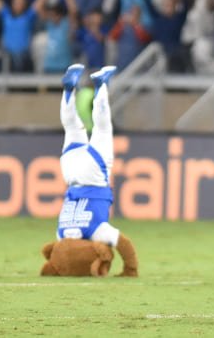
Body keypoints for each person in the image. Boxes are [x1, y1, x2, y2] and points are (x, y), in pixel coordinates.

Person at [54, 63, 138, 277]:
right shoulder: (61, 232)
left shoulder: (95, 231)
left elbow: (122, 242)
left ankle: (101, 85)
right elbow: (55, 250)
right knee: (75, 127)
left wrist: (129, 268)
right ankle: (71, 90)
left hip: (91, 176)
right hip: (70, 171)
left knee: (101, 128)